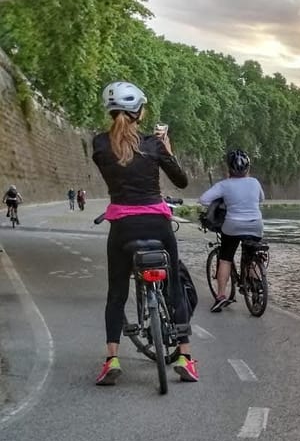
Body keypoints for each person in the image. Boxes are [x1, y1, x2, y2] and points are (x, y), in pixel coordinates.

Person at [91, 81, 197, 385]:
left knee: (116, 293)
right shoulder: (153, 144)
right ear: (139, 111)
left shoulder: (99, 144)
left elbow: (118, 165)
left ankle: (112, 358)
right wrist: (167, 148)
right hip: (157, 225)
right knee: (174, 284)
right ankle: (185, 358)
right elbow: (181, 182)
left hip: (123, 228)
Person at [198, 149, 265, 312]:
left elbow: (203, 200)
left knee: (225, 259)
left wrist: (223, 201)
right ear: (248, 168)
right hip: (255, 224)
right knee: (251, 253)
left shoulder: (224, 185)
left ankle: (221, 296)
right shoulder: (255, 183)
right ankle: (256, 290)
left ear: (228, 168)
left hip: (232, 226)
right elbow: (261, 199)